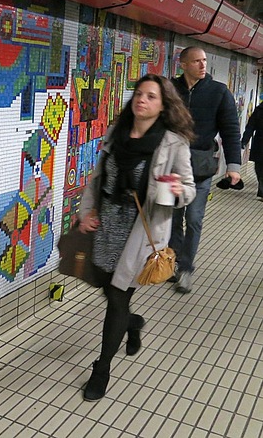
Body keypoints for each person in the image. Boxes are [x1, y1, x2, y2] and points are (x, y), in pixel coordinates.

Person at [77, 74, 196, 402]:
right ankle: (132, 322)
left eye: (151, 96)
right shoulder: (117, 134)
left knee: (117, 296)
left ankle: (102, 368)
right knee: (104, 283)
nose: (142, 100)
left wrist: (177, 189)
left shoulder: (173, 143)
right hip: (107, 224)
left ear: (163, 105)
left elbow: (188, 188)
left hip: (140, 230)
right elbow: (97, 178)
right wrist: (87, 212)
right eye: (139, 94)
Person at [169, 47, 241, 294]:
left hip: (200, 167)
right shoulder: (170, 89)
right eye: (196, 61)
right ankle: (174, 262)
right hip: (172, 167)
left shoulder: (219, 91)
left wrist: (234, 166)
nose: (202, 65)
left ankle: (186, 268)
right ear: (183, 64)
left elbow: (231, 130)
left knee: (194, 218)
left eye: (204, 61)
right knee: (174, 218)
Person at [242, 100, 263, 200]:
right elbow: (250, 126)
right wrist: (244, 140)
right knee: (259, 168)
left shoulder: (259, 109)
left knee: (259, 167)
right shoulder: (259, 110)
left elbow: (250, 126)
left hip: (259, 144)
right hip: (260, 144)